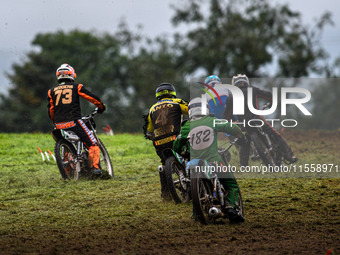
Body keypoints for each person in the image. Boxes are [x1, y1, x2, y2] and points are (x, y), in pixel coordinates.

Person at [173, 97, 247, 223]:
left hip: (194, 163)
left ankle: (195, 212)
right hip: (214, 160)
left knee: (191, 186)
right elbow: (231, 127)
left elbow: (176, 145)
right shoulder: (212, 121)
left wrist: (182, 151)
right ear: (205, 109)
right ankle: (231, 207)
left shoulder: (186, 126)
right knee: (231, 184)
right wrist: (241, 137)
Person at [224, 74, 298, 165]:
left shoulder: (231, 96)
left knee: (244, 141)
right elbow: (269, 96)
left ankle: (244, 165)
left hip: (243, 123)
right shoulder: (252, 89)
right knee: (276, 135)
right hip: (256, 119)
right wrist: (271, 103)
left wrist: (228, 123)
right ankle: (290, 156)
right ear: (246, 82)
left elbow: (226, 115)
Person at [47, 63, 106, 175]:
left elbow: (51, 110)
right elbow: (92, 98)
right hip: (74, 121)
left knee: (67, 144)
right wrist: (101, 106)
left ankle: (69, 170)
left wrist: (55, 121)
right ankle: (95, 168)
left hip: (59, 125)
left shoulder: (52, 91)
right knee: (93, 143)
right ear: (72, 74)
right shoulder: (76, 87)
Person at [143, 82, 188, 200]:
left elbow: (149, 129)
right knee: (189, 154)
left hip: (158, 142)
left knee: (163, 164)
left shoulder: (152, 108)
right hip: (175, 138)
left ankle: (165, 193)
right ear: (172, 93)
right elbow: (192, 110)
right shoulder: (177, 102)